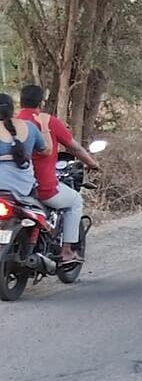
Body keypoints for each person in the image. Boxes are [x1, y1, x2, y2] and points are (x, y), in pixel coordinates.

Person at [15, 85, 98, 264]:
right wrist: (92, 163)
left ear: (20, 102)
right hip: (43, 189)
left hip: (16, 187)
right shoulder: (48, 122)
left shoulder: (12, 123)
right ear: (41, 102)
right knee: (75, 201)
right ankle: (67, 251)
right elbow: (74, 148)